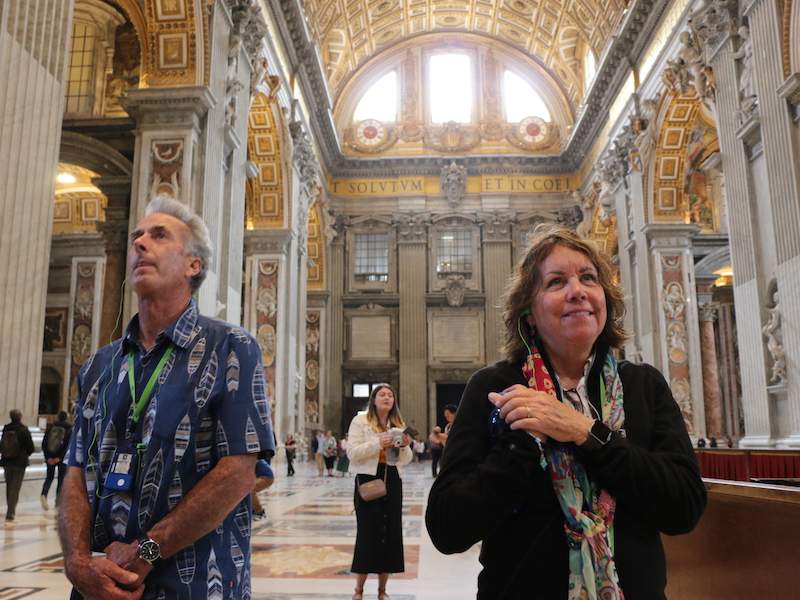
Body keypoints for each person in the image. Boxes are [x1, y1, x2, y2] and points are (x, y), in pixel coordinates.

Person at [426, 224, 706, 600]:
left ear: (604, 298)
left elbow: (684, 508)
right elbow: (448, 528)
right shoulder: (493, 386)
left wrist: (586, 432)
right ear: (528, 312)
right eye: (557, 282)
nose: (577, 291)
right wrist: (523, 443)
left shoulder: (644, 385)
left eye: (588, 278)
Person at [58, 194, 275, 599]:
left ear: (194, 265)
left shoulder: (232, 348)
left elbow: (237, 474)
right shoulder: (98, 365)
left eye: (159, 236)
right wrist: (77, 563)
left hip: (194, 584)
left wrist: (146, 552)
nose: (140, 242)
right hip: (101, 585)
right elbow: (75, 471)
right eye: (137, 236)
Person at [347, 384, 412, 600]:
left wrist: (404, 447)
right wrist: (378, 442)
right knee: (368, 534)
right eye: (382, 394)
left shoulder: (397, 424)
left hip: (393, 480)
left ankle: (382, 591)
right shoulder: (360, 421)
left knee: (391, 534)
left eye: (390, 395)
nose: (387, 398)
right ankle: (359, 590)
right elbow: (352, 453)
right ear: (374, 400)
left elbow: (406, 460)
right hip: (368, 479)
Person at [1, 409, 35, 521]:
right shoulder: (24, 429)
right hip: (20, 463)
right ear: (20, 417)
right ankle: (10, 512)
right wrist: (25, 453)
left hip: (7, 462)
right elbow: (31, 447)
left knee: (9, 486)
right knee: (15, 488)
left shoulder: (6, 428)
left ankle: (10, 509)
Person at [40, 410, 72, 510]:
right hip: (61, 459)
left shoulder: (50, 427)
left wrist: (48, 458)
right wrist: (59, 458)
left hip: (50, 457)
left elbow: (44, 444)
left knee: (49, 477)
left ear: (58, 417)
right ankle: (58, 502)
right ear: (66, 417)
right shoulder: (69, 429)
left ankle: (44, 494)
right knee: (61, 479)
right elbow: (68, 446)